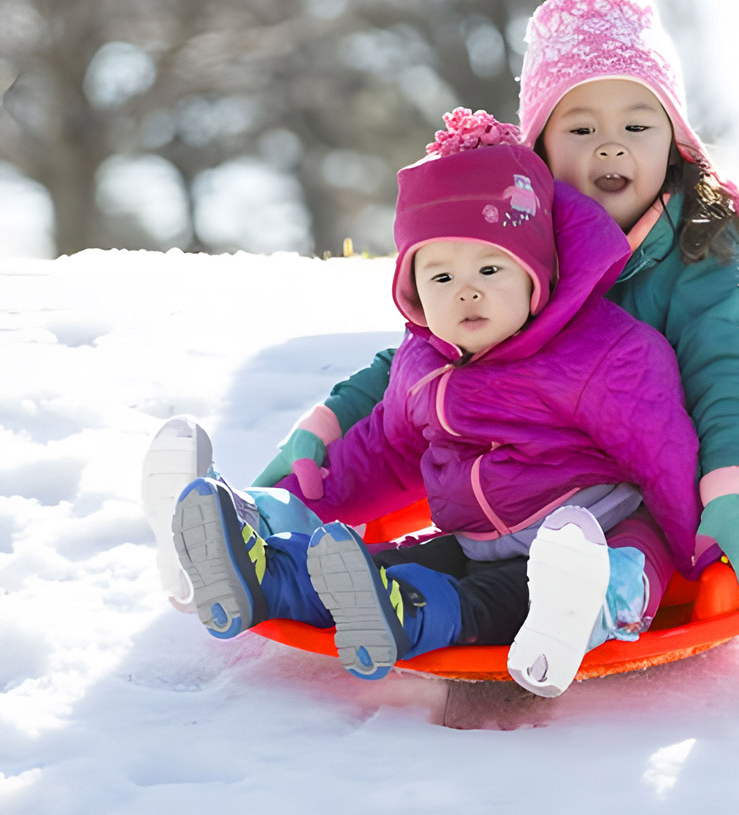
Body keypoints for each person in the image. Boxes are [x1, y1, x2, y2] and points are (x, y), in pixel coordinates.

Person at [171, 114, 708, 696]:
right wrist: (300, 498)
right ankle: (270, 576)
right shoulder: (423, 367)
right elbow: (386, 454)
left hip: (596, 537)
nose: (466, 290)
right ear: (415, 292)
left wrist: (703, 556)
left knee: (505, 595)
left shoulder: (602, 351)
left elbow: (665, 453)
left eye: (490, 268)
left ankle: (476, 616)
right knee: (380, 567)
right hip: (476, 541)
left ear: (538, 276)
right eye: (442, 276)